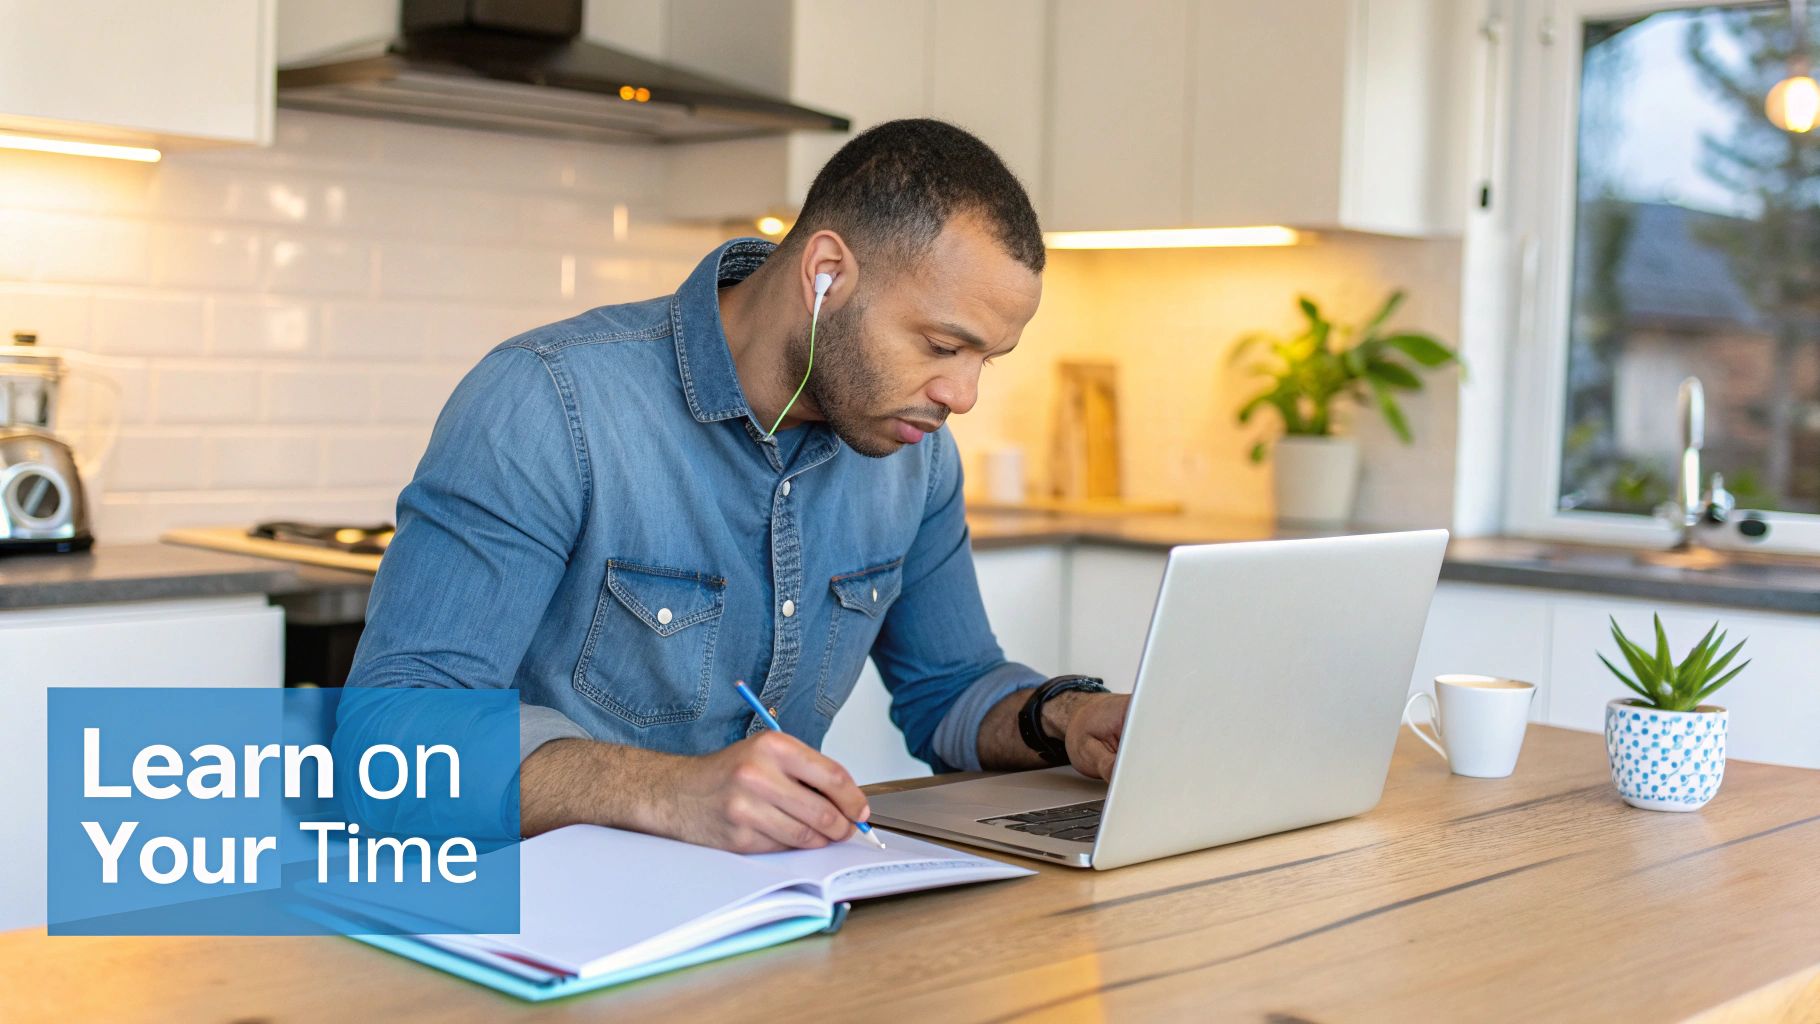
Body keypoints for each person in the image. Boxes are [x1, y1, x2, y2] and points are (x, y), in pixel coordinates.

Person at [343, 118, 1130, 853]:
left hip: (773, 922)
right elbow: (393, 740)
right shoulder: (548, 403)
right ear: (827, 275)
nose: (962, 397)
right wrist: (671, 792)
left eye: (984, 360)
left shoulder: (916, 457)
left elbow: (952, 690)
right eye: (940, 346)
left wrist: (1066, 715)